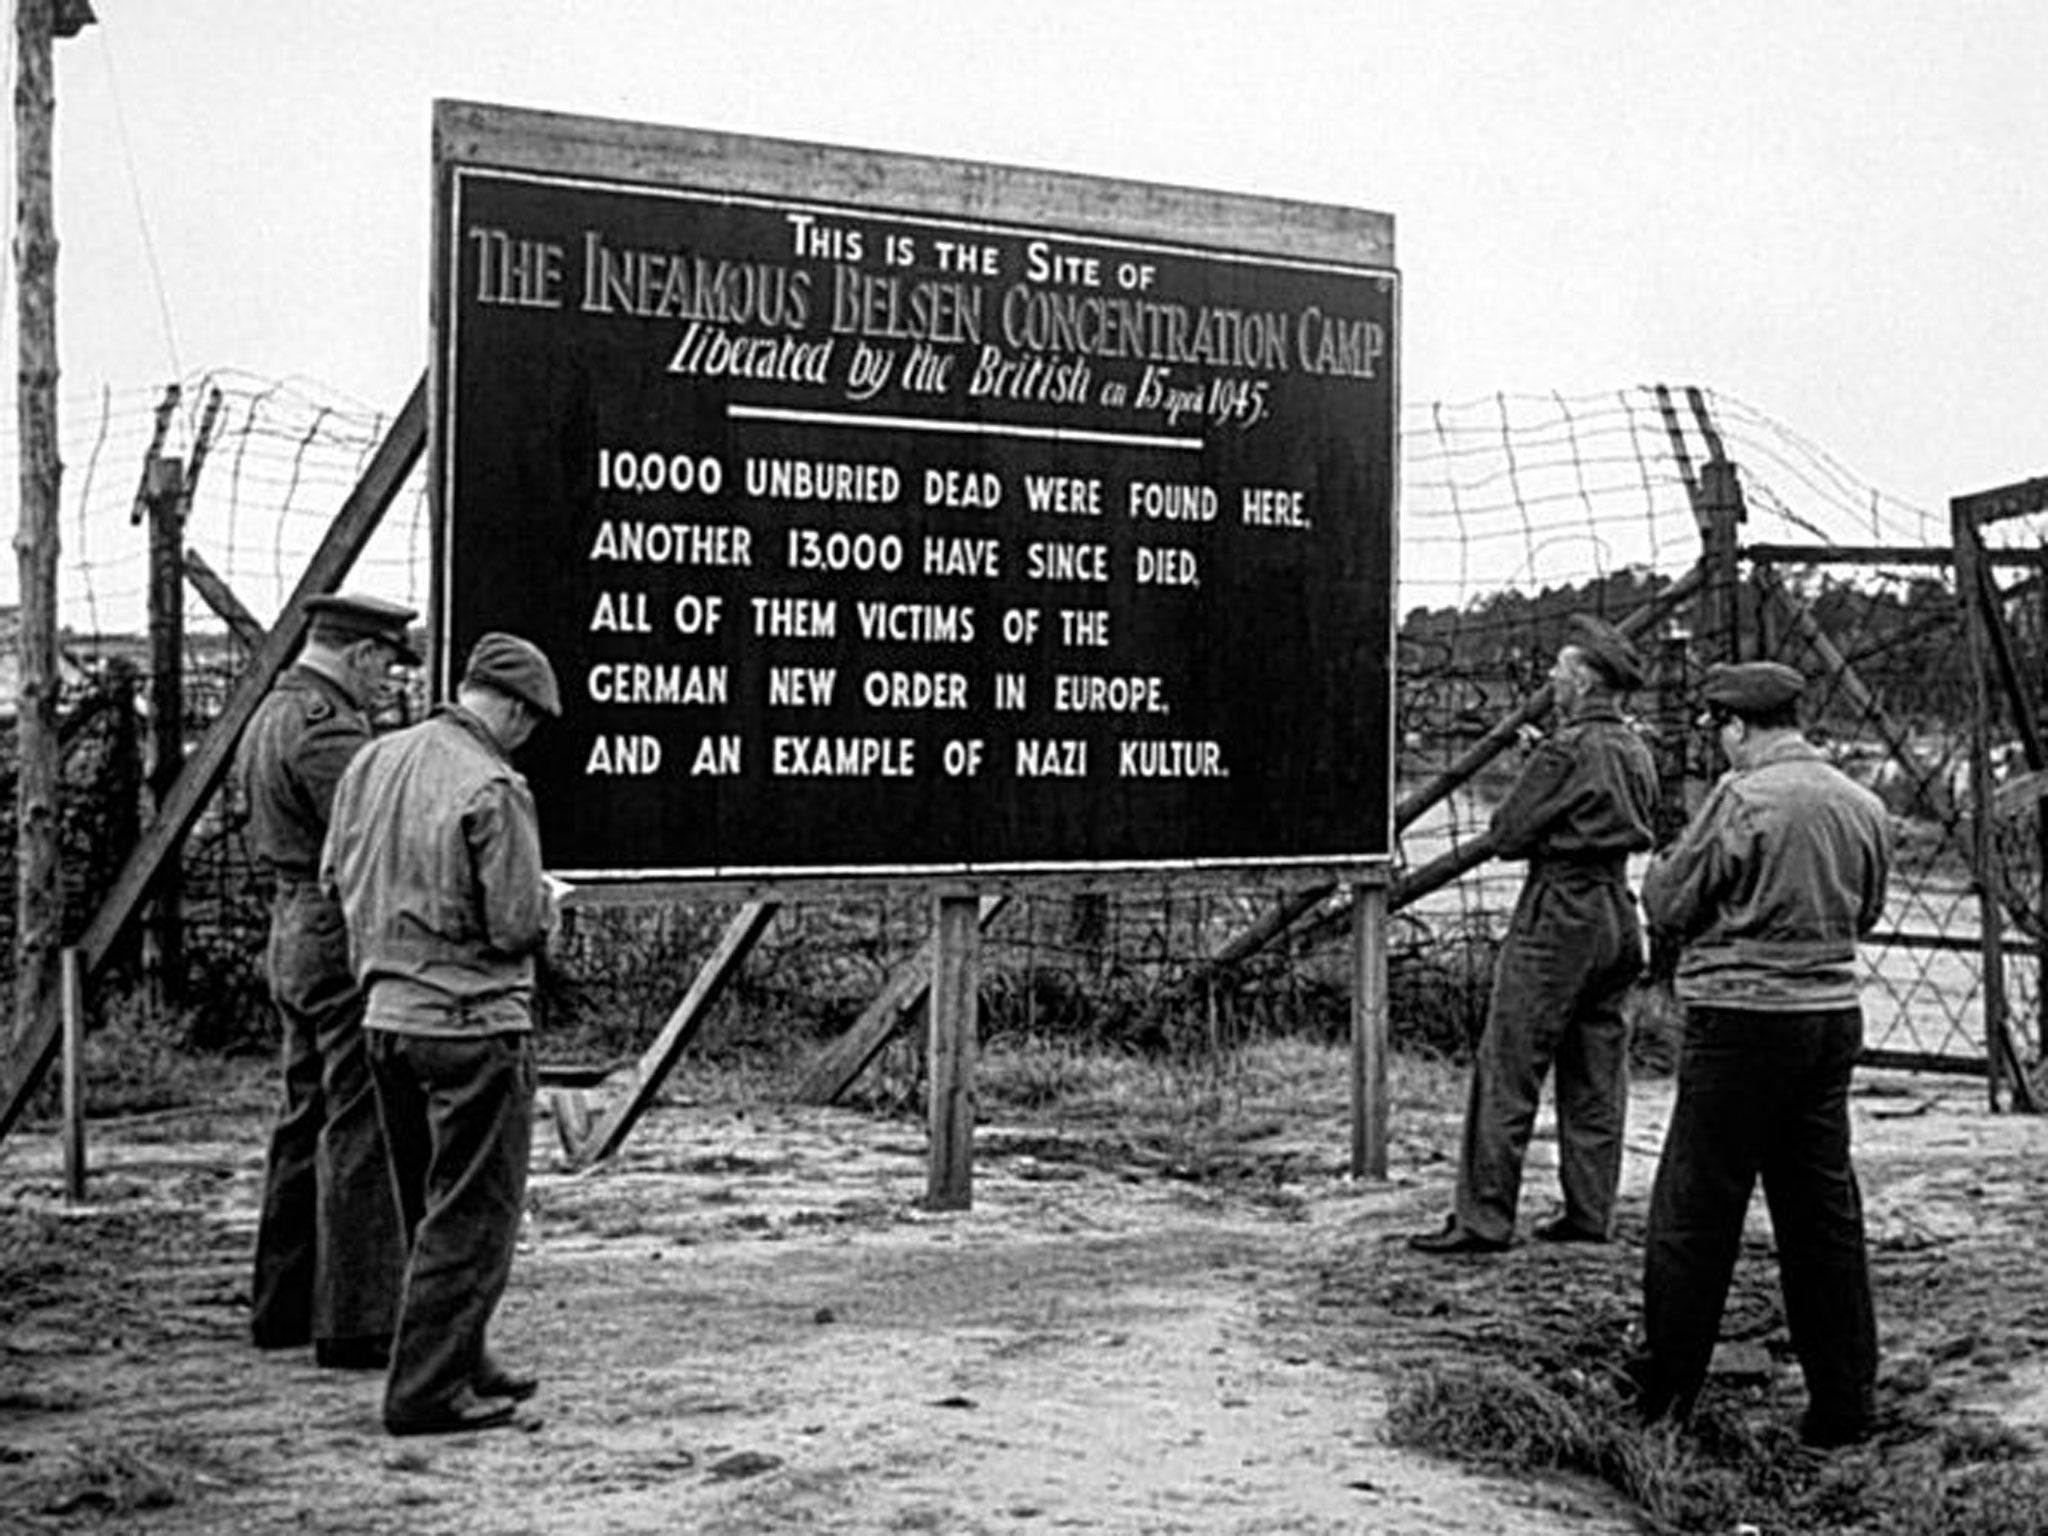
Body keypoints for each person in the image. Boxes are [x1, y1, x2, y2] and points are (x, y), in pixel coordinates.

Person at [1631, 660, 1891, 1447]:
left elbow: (1671, 902)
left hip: (1739, 1022)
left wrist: (1665, 868)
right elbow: (1868, 912)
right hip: (1829, 1017)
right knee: (1821, 1213)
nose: (1718, 744)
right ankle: (1844, 1403)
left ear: (1738, 727)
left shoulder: (1740, 798)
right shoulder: (1862, 803)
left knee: (1697, 1208)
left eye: (1720, 729)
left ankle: (1663, 1399)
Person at [323, 632, 563, 1436]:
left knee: (424, 1201)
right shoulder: (495, 785)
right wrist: (549, 907)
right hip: (476, 1024)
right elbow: (513, 923)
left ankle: (464, 1354)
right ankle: (426, 1394)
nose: (529, 735)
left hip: (384, 1018)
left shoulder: (373, 760)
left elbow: (333, 877)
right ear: (517, 709)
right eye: (532, 721)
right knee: (473, 1214)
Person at [1411, 614, 1660, 1255]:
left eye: (1559, 670)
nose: (1551, 678)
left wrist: (1539, 773)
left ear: (1581, 681)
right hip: (1616, 908)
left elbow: (1506, 836)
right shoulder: (1634, 748)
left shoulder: (1564, 751)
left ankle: (1483, 1219)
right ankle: (1590, 1213)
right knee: (1597, 1069)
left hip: (1559, 911)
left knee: (1509, 1065)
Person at [238, 592, 420, 1368]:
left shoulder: (272, 711)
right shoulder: (330, 730)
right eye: (385, 663)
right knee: (360, 1119)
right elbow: (374, 830)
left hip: (291, 923)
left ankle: (283, 1307)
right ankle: (354, 1321)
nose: (386, 681)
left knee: (303, 1114)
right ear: (360, 653)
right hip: (336, 926)